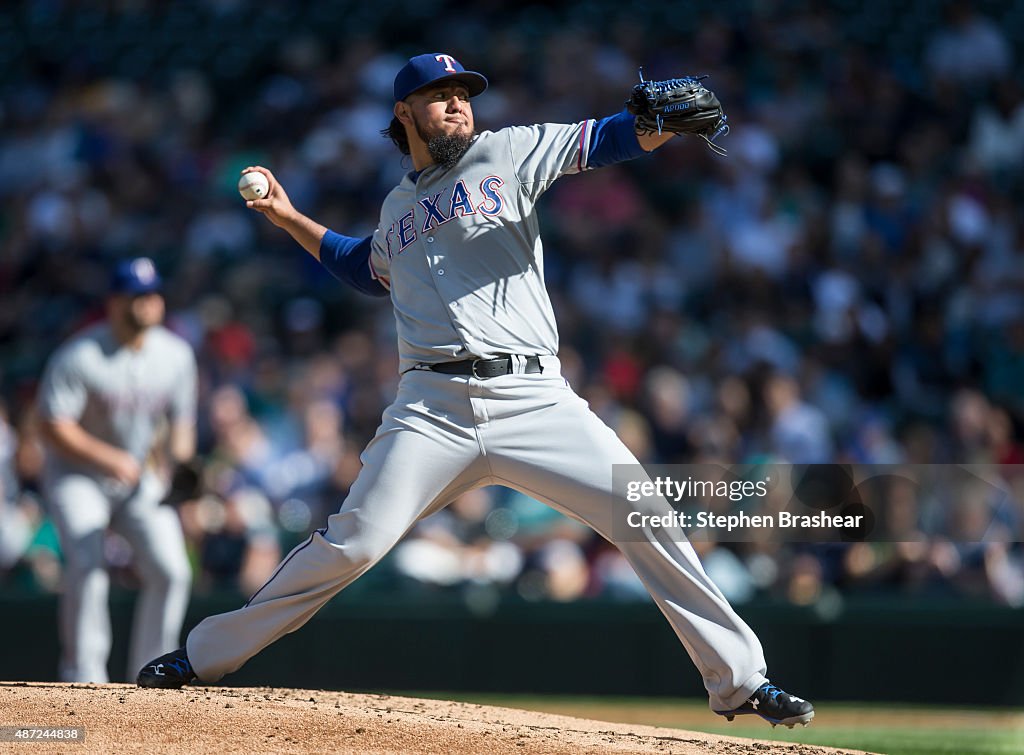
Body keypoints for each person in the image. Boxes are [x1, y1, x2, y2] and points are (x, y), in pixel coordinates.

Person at [137, 53, 814, 728]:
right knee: (354, 543)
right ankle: (203, 656)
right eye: (440, 95)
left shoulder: (509, 152)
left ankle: (740, 679)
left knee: (645, 513)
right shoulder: (396, 205)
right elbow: (360, 266)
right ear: (405, 113)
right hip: (431, 410)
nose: (458, 103)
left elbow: (607, 138)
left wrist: (653, 127)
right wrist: (286, 215)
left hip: (534, 398)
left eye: (463, 92)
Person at [38, 257, 196, 682]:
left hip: (137, 477)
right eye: (136, 295)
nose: (147, 303)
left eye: (152, 295)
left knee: (172, 570)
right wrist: (110, 459)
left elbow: (181, 425)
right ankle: (83, 675)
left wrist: (181, 467)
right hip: (77, 476)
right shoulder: (80, 354)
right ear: (113, 302)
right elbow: (52, 426)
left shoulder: (176, 354)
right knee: (88, 564)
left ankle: (154, 671)